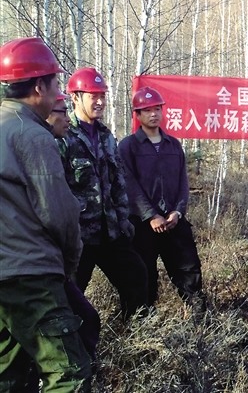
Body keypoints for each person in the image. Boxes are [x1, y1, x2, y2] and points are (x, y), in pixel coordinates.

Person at [0, 37, 92, 391]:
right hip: (31, 277)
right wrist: (69, 263)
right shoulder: (33, 136)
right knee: (69, 375)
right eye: (55, 82)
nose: (58, 93)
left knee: (8, 376)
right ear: (39, 86)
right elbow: (60, 214)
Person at [60, 66, 149, 320]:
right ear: (75, 97)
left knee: (136, 276)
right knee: (70, 294)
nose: (99, 102)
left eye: (102, 96)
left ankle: (134, 333)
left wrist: (124, 220)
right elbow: (56, 188)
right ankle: (77, 340)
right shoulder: (63, 135)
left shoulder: (106, 136)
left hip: (110, 230)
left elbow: (118, 181)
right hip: (79, 236)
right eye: (93, 96)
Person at [118, 86, 206, 312]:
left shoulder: (173, 145)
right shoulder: (128, 146)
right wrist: (151, 215)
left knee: (189, 270)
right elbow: (130, 185)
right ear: (138, 115)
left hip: (173, 221)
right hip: (143, 224)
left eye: (157, 109)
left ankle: (200, 318)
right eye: (147, 110)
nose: (153, 114)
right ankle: (143, 322)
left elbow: (183, 182)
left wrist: (178, 211)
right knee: (143, 274)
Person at [46, 92, 101, 359]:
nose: (67, 118)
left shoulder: (50, 143)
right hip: (39, 264)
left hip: (64, 252)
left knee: (86, 318)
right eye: (61, 112)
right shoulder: (40, 148)